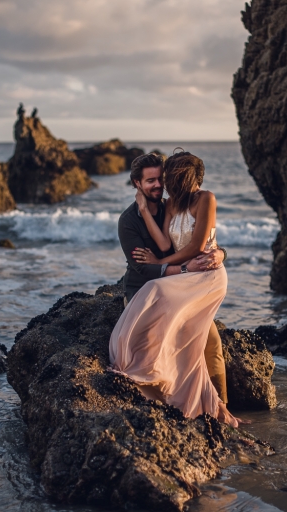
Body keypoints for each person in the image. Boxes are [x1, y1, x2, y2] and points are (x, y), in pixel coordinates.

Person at [110, 150, 238, 426]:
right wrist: (144, 212)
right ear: (137, 184)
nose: (159, 185)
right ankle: (161, 388)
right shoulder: (129, 221)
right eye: (151, 181)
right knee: (169, 326)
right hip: (157, 282)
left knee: (210, 340)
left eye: (162, 179)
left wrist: (222, 253)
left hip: (193, 279)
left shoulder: (190, 200)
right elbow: (145, 266)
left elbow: (200, 244)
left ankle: (220, 406)